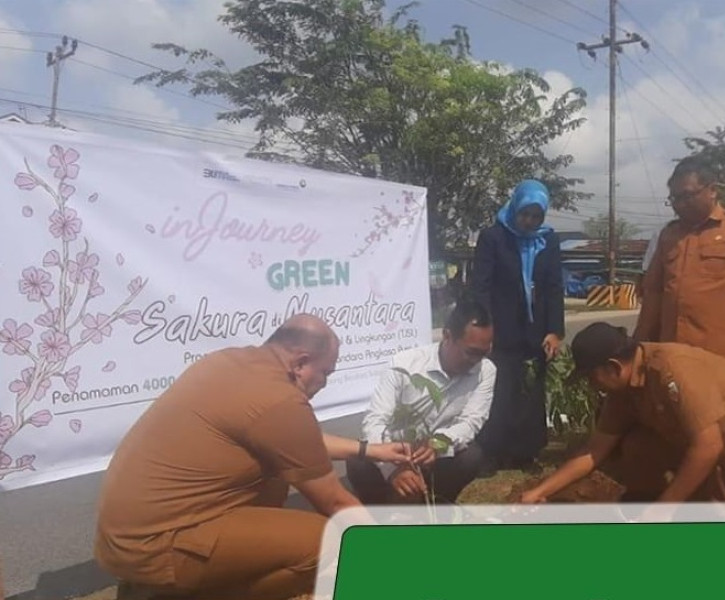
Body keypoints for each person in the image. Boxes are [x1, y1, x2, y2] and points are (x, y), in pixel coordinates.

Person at [93, 314, 411, 600]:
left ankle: (164, 584)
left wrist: (369, 450)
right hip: (157, 544)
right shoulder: (280, 401)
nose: (324, 384)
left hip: (122, 538)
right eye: (325, 372)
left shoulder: (228, 362)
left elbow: (292, 442)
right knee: (331, 541)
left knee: (273, 481)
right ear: (300, 363)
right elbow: (336, 503)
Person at [519, 322, 725, 507]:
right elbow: (595, 451)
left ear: (614, 367)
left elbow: (708, 446)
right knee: (637, 445)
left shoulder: (673, 369)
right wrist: (540, 491)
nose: (591, 386)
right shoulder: (623, 390)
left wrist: (664, 508)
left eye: (591, 378)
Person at [346, 300, 496, 504]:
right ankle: (379, 513)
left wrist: (439, 444)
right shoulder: (404, 364)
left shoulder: (486, 371)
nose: (477, 360)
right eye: (471, 352)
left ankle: (437, 503)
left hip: (437, 457)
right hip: (394, 452)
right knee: (358, 458)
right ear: (447, 336)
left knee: (472, 456)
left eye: (484, 352)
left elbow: (471, 421)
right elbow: (376, 421)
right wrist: (394, 468)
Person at [634, 156, 725, 374]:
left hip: (722, 352)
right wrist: (640, 340)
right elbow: (653, 292)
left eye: (688, 195)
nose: (680, 203)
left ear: (712, 190)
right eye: (675, 198)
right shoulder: (669, 235)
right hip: (673, 352)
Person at [471, 179, 565, 472]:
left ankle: (526, 453)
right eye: (525, 214)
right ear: (515, 208)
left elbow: (553, 287)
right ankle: (493, 452)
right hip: (500, 330)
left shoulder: (548, 240)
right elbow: (480, 287)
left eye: (537, 216)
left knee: (530, 392)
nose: (529, 221)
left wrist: (555, 330)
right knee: (498, 390)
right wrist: (483, 328)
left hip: (535, 333)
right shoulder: (494, 237)